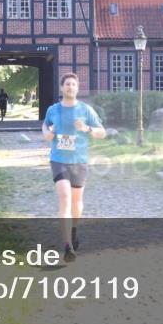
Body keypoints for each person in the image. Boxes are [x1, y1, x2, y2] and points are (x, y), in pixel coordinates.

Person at [42, 73, 106, 262]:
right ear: (62, 88)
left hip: (79, 160)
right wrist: (47, 134)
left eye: (73, 84)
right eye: (67, 84)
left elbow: (102, 133)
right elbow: (45, 126)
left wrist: (87, 129)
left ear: (77, 88)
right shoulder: (53, 109)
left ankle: (74, 229)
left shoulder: (86, 110)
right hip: (58, 159)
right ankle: (67, 246)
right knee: (65, 197)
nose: (70, 87)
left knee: (77, 202)